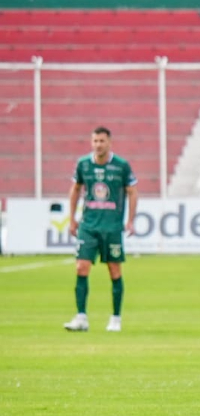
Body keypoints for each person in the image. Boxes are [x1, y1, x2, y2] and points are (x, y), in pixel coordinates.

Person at [63, 126, 137, 333]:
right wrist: (72, 219)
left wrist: (130, 220)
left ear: (109, 142)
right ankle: (81, 317)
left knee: (114, 270)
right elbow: (76, 190)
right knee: (81, 267)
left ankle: (115, 318)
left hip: (112, 226)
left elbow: (132, 191)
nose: (98, 145)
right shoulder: (83, 164)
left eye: (102, 141)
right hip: (88, 225)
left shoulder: (121, 166)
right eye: (95, 141)